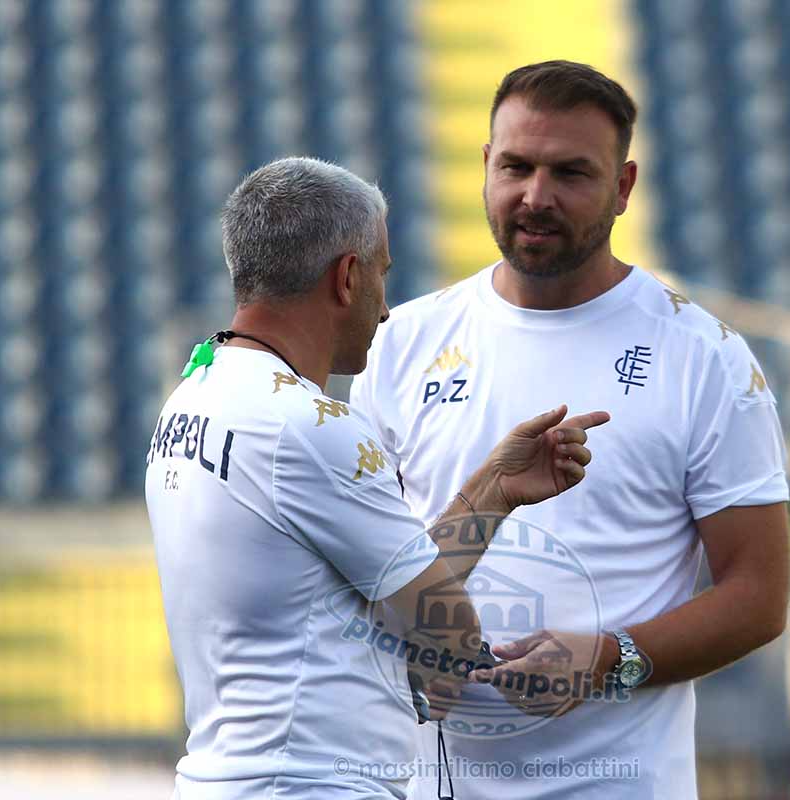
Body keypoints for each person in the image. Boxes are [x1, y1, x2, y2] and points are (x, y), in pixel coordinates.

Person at [351, 61, 790, 799]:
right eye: (516, 166)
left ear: (623, 187)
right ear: (485, 166)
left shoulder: (703, 357)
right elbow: (362, 569)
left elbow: (758, 595)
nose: (536, 196)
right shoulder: (401, 343)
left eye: (571, 173)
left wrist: (608, 659)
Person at [144, 156, 609, 800]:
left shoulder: (194, 396)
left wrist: (494, 488)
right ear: (346, 277)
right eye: (382, 275)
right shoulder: (311, 425)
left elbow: (389, 587)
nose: (386, 309)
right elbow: (445, 631)